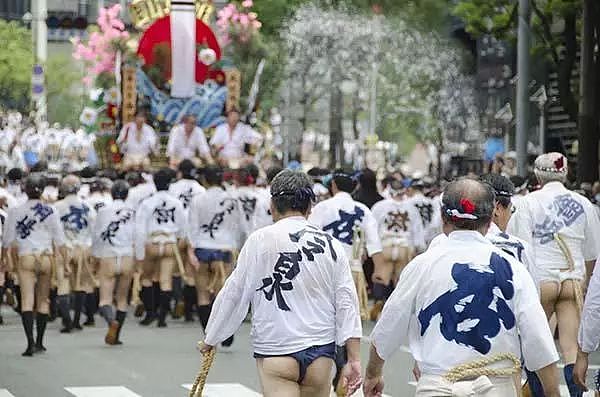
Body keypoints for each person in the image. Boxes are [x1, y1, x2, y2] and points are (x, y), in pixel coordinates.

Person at [364, 178, 561, 397]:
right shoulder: (512, 268)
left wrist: (373, 373)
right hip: (495, 388)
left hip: (438, 387)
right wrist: (553, 392)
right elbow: (538, 338)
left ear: (443, 218)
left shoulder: (423, 264)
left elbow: (389, 325)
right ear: (489, 222)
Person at [200, 170, 363, 397]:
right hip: (321, 352)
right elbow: (347, 300)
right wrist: (354, 357)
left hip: (276, 349)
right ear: (310, 207)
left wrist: (213, 336)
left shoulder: (260, 240)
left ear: (272, 204)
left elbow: (234, 292)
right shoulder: (331, 244)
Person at [509, 153, 600, 397]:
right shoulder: (584, 204)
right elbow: (593, 253)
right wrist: (587, 284)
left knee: (535, 347)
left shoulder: (527, 203)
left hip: (541, 279)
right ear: (566, 173)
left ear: (538, 174)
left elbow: (522, 247)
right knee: (571, 348)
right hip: (573, 278)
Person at [308, 169, 383, 391]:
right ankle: (343, 362)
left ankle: (336, 362)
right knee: (348, 317)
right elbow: (374, 243)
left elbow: (309, 235)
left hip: (324, 268)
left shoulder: (322, 208)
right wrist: (378, 270)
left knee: (325, 317)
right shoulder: (362, 211)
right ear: (355, 187)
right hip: (352, 269)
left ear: (333, 186)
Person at [2, 174, 66, 356]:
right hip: (46, 257)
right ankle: (40, 342)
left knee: (27, 300)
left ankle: (29, 342)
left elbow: (7, 241)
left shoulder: (15, 211)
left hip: (26, 256)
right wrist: (65, 262)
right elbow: (60, 240)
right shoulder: (51, 210)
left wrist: (3, 260)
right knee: (43, 299)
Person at [187, 165, 242, 344]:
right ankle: (225, 332)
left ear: (205, 179)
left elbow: (192, 227)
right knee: (223, 294)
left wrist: (191, 250)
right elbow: (239, 226)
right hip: (225, 249)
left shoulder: (198, 199)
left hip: (202, 247)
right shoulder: (232, 199)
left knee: (202, 295)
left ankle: (208, 334)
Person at [135, 168, 186, 327]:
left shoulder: (147, 203)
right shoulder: (176, 202)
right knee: (166, 280)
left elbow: (140, 228)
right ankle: (163, 317)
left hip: (152, 242)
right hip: (169, 242)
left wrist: (139, 252)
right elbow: (182, 227)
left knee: (147, 278)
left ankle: (151, 313)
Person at [370, 179, 425, 320]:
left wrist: (371, 248)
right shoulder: (411, 208)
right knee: (401, 281)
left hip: (385, 245)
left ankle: (379, 300)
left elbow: (372, 229)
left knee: (382, 276)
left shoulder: (379, 206)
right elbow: (417, 231)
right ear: (404, 191)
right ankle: (397, 309)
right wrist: (420, 249)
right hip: (404, 247)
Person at [92, 180, 135, 345]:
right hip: (126, 256)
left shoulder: (103, 211)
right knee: (122, 299)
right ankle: (116, 336)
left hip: (108, 255)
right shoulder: (132, 211)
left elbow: (97, 235)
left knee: (105, 299)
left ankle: (111, 323)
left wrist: (95, 256)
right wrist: (139, 257)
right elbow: (137, 235)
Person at [55, 175, 97, 329]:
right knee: (81, 284)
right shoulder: (88, 207)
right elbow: (94, 231)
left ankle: (66, 319)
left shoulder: (57, 207)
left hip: (64, 248)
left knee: (63, 283)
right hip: (83, 247)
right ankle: (77, 320)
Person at [168, 160, 206, 320]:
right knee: (191, 272)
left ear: (180, 172)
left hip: (177, 233)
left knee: (176, 271)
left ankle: (178, 301)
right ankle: (190, 309)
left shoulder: (173, 187)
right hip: (194, 233)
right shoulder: (200, 189)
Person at [406, 178, 442, 247]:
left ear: (411, 189)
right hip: (430, 239)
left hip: (414, 239)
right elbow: (436, 223)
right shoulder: (432, 203)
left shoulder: (407, 203)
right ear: (423, 189)